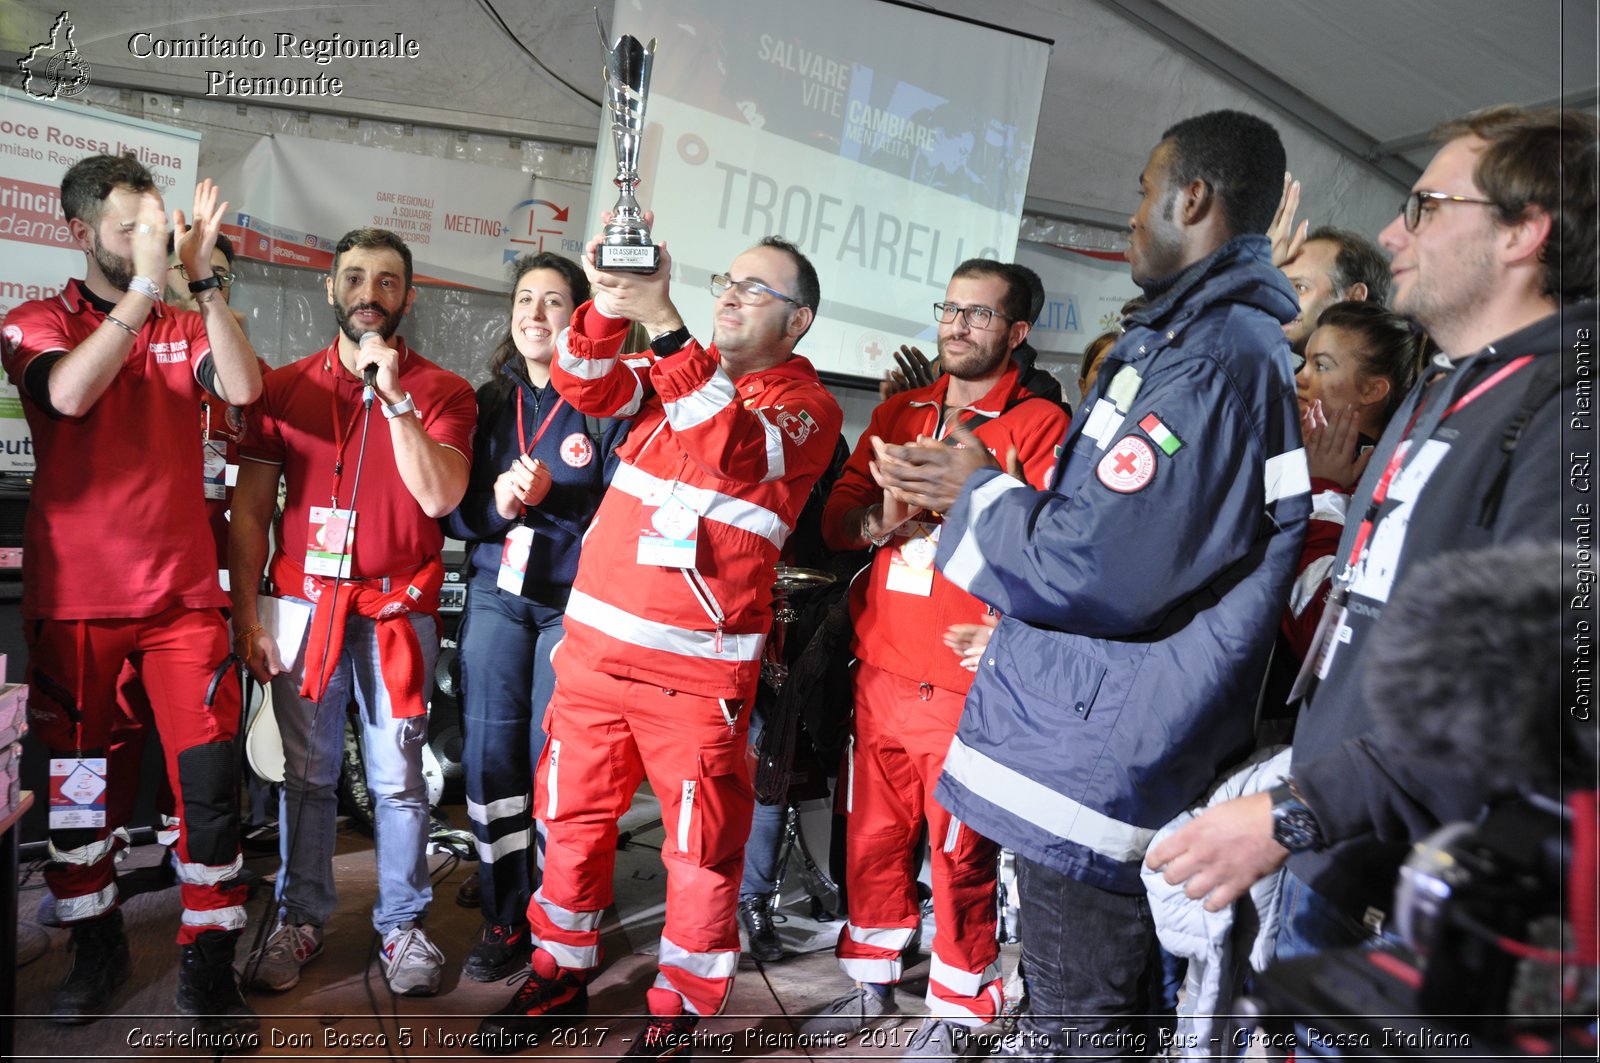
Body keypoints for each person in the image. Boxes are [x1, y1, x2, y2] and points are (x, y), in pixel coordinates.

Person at [872, 110, 1309, 1056]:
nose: (1132, 217)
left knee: (1090, 1025)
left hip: (1100, 758)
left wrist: (975, 491)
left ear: (1192, 197)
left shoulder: (1211, 357)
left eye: (1144, 191)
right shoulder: (1192, 343)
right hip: (1085, 738)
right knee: (1082, 1006)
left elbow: (1104, 565)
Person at [1146, 105, 1598, 961]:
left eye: (1426, 205)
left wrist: (1297, 808)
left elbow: (1526, 688)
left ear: (1523, 232)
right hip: (1346, 859)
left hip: (1449, 914)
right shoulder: (1445, 391)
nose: (1395, 231)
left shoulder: (1575, 411)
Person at [477, 233, 843, 1057]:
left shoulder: (805, 409)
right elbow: (583, 379)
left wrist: (666, 322)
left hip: (695, 676)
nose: (732, 294)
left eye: (757, 287)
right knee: (567, 821)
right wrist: (610, 298)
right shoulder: (670, 369)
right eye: (729, 280)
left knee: (701, 850)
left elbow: (733, 448)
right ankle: (559, 967)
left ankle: (680, 1005)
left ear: (800, 319)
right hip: (595, 659)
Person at [0, 154, 263, 1029]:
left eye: (157, 224)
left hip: (183, 603)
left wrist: (203, 282)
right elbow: (69, 394)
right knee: (80, 790)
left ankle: (208, 957)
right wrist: (147, 289)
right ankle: (95, 942)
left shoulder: (180, 323)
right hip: (76, 603)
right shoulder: (34, 320)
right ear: (80, 232)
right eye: (130, 228)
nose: (149, 239)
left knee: (210, 784)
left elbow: (245, 386)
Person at [803, 260, 1070, 1058]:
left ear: (1016, 333)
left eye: (979, 315)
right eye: (950, 308)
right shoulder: (896, 410)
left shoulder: (1040, 425)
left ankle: (962, 1010)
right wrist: (880, 519)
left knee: (960, 852)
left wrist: (979, 502)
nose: (956, 325)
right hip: (881, 664)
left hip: (966, 681)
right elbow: (837, 524)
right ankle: (872, 978)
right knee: (873, 838)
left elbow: (1053, 553)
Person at [230, 227, 477, 997]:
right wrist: (246, 613)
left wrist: (394, 396)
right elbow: (246, 513)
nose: (371, 292)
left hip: (397, 612)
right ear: (329, 288)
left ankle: (401, 925)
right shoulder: (282, 387)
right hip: (305, 607)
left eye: (389, 281)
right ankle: (301, 914)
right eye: (356, 277)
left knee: (400, 779)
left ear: (408, 295)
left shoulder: (443, 392)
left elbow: (440, 496)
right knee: (304, 777)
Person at [441, 252, 625, 982]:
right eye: (525, 299)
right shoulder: (487, 402)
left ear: (581, 316)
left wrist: (560, 500)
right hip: (495, 593)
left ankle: (560, 907)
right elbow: (458, 513)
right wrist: (502, 503)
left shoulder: (608, 404)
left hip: (572, 608)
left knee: (560, 765)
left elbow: (625, 516)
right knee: (489, 758)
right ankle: (503, 911)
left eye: (554, 301)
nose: (535, 314)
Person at [1281, 300, 1424, 660]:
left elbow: (1325, 632)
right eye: (1306, 361)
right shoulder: (1285, 451)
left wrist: (1323, 491)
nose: (1300, 377)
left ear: (1372, 391)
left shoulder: (1391, 480)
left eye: (1322, 366)